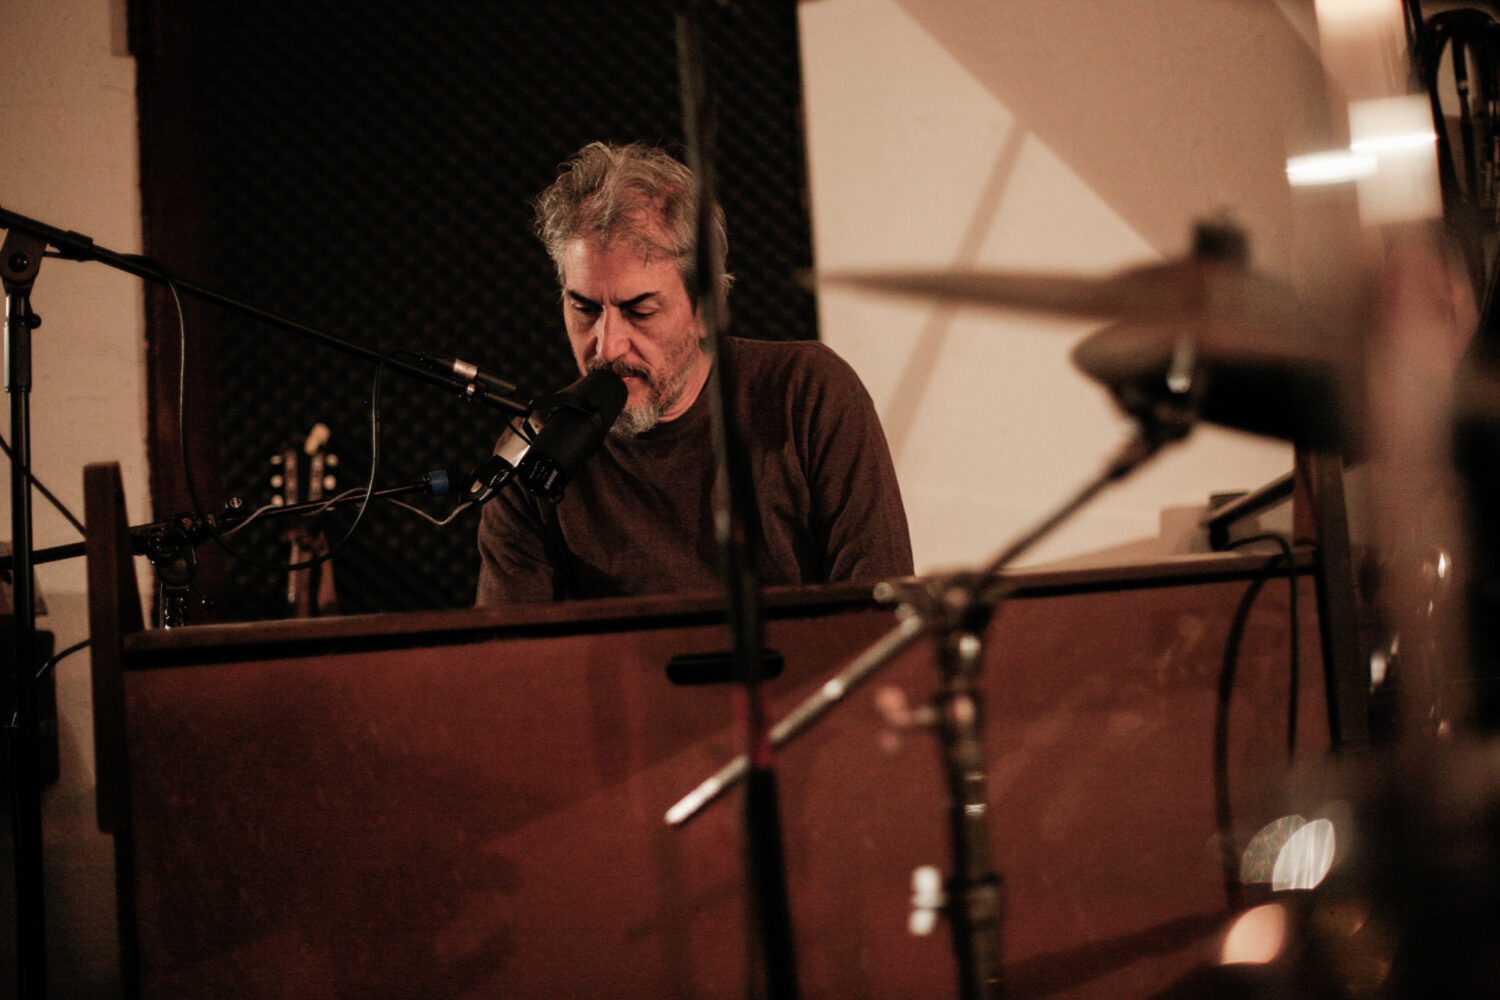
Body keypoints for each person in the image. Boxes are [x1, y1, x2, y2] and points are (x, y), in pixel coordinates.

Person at [475, 141, 912, 602]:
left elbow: (882, 617)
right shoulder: (534, 448)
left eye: (640, 311)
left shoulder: (807, 393)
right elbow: (508, 643)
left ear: (708, 308)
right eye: (584, 308)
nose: (607, 346)